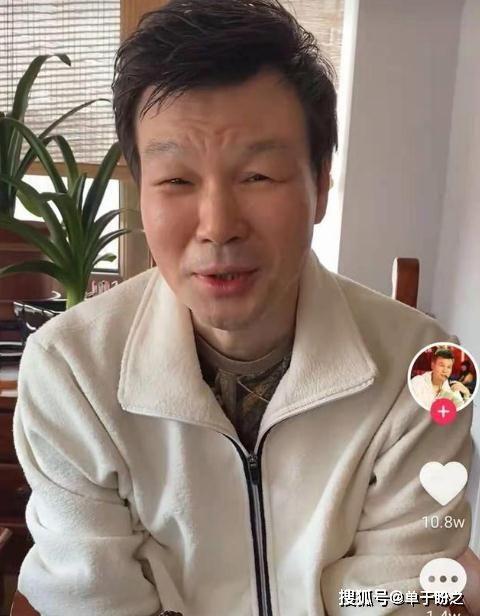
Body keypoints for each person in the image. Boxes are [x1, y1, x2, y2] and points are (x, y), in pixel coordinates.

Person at [13, 1, 473, 615]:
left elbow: (399, 592)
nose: (218, 225)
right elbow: (93, 597)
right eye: (177, 181)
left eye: (258, 176)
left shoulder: (428, 369)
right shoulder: (71, 370)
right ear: (142, 189)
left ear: (320, 184)